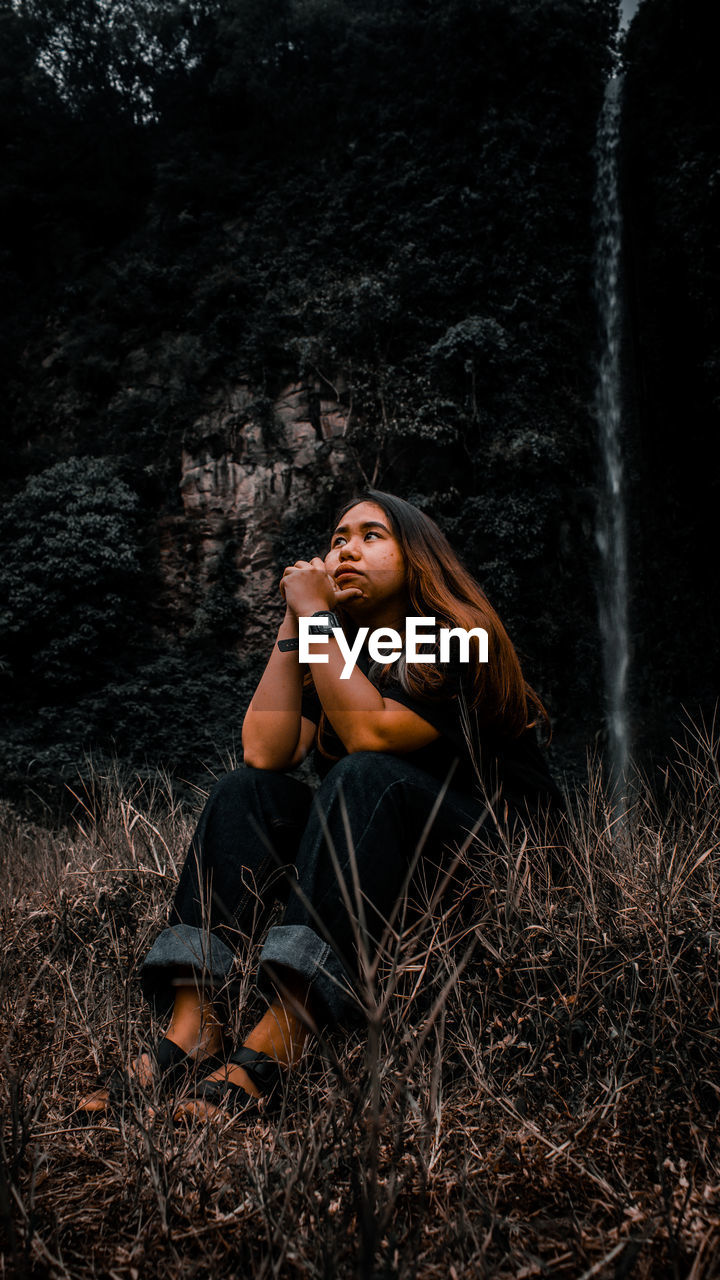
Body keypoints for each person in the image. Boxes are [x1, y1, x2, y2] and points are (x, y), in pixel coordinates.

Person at [79, 489, 565, 1121]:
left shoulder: (461, 638)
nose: (346, 551)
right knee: (243, 793)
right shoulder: (337, 648)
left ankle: (283, 1035)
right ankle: (193, 1026)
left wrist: (315, 621)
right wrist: (295, 621)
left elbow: (373, 737)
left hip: (496, 863)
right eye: (337, 539)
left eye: (371, 536)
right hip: (381, 863)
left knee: (366, 774)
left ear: (418, 556)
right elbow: (263, 752)